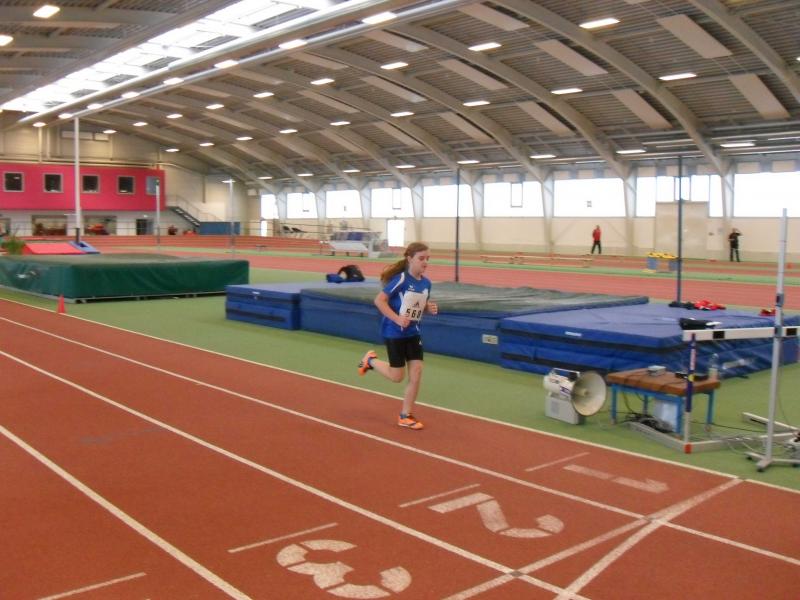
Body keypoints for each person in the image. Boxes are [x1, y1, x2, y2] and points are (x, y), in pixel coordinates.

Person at [357, 242, 438, 430]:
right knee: (397, 377)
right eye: (421, 258)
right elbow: (379, 301)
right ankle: (370, 361)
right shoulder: (401, 279)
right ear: (410, 259)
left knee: (417, 372)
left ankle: (405, 415)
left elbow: (417, 306)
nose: (425, 262)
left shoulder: (426, 283)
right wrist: (397, 319)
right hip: (394, 332)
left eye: (427, 258)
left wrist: (428, 307)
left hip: (414, 332)